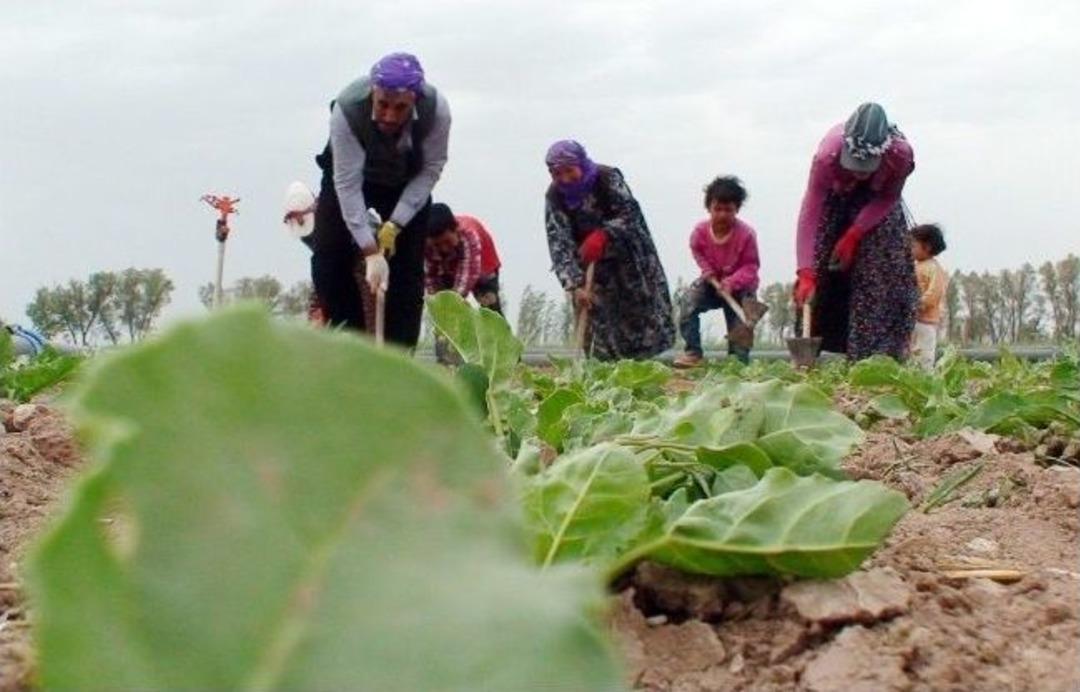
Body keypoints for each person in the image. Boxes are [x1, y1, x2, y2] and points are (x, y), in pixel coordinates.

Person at [304, 52, 451, 349]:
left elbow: (430, 170)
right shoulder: (347, 108)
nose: (390, 116)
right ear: (373, 91)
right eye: (382, 104)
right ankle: (351, 342)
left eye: (401, 108)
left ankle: (399, 357)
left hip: (406, 181)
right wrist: (370, 250)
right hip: (351, 176)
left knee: (407, 271)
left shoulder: (437, 112)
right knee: (328, 255)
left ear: (414, 99)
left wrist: (395, 224)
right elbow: (347, 183)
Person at [792, 102, 918, 361]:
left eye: (866, 167)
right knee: (819, 266)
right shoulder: (828, 154)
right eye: (853, 165)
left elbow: (887, 199)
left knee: (878, 270)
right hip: (835, 201)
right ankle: (809, 356)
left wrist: (855, 233)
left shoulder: (900, 156)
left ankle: (872, 359)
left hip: (876, 209)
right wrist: (805, 271)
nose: (859, 173)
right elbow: (811, 210)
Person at [543, 140, 675, 361]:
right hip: (592, 268)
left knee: (639, 321)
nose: (564, 178)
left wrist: (604, 234)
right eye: (557, 173)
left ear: (581, 164)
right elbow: (559, 244)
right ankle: (603, 380)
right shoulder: (555, 196)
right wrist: (574, 286)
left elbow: (630, 215)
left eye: (569, 170)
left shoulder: (607, 178)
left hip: (629, 262)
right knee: (598, 327)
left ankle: (640, 375)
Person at [674, 176, 762, 367]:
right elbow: (697, 251)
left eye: (728, 210)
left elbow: (751, 267)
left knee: (740, 332)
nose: (722, 215)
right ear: (709, 208)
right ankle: (693, 352)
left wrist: (732, 283)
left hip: (741, 287)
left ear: (737, 209)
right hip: (713, 281)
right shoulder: (700, 232)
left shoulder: (746, 234)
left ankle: (737, 365)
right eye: (717, 209)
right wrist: (707, 270)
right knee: (688, 303)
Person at [424, 203, 503, 314]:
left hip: (483, 267)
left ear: (456, 229)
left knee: (490, 307)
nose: (444, 248)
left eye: (447, 242)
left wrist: (454, 302)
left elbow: (468, 274)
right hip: (448, 267)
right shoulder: (428, 246)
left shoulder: (469, 235)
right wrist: (438, 304)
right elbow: (430, 276)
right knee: (445, 309)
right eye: (437, 245)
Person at [910, 223, 949, 369]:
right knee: (911, 353)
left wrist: (920, 304)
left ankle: (925, 380)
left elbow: (935, 292)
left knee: (925, 355)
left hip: (926, 321)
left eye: (913, 246)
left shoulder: (933, 268)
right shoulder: (913, 266)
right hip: (912, 319)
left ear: (927, 247)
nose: (910, 249)